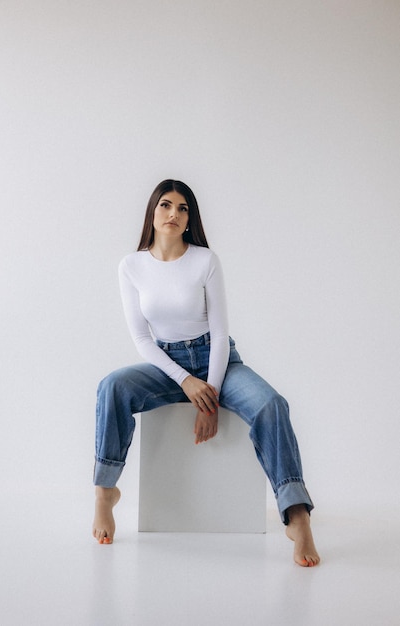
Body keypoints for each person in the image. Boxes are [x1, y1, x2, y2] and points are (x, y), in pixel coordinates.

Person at [93, 179, 320, 567]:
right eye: (166, 205)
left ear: (189, 219)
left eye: (183, 209)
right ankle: (104, 494)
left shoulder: (205, 260)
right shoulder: (131, 266)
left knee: (272, 405)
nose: (174, 214)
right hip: (166, 365)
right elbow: (142, 339)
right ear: (152, 212)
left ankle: (296, 516)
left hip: (217, 361)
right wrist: (185, 380)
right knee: (112, 386)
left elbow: (219, 334)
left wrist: (209, 397)